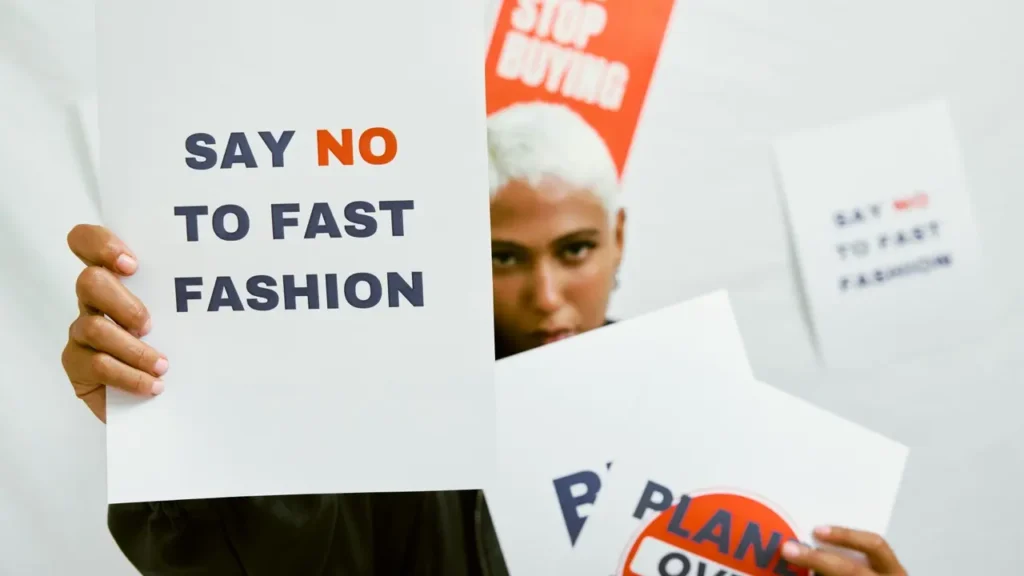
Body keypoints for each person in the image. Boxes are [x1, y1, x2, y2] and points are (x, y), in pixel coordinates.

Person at [60, 101, 908, 575]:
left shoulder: (721, 424)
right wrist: (180, 421)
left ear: (619, 238)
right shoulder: (386, 433)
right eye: (505, 256)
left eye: (575, 250)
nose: (548, 297)